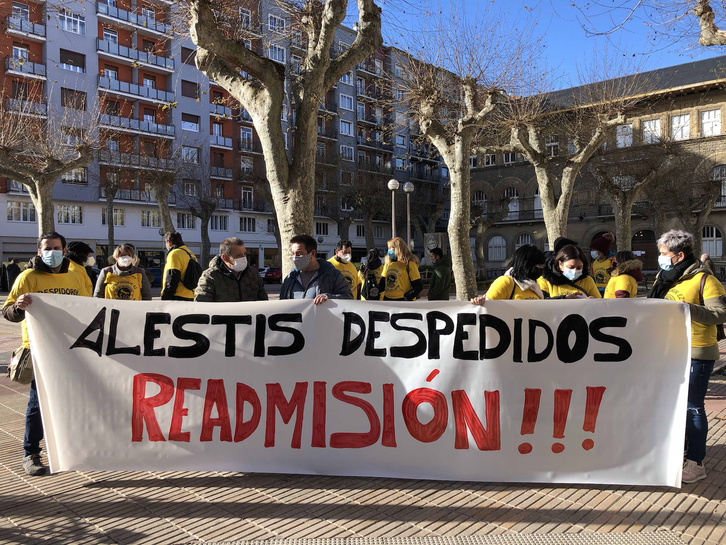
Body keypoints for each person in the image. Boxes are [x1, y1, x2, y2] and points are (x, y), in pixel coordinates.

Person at [2, 231, 89, 476]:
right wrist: (18, 308)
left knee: (72, 400)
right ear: (39, 251)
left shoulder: (77, 275)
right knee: (37, 403)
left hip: (71, 348)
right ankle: (31, 453)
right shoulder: (27, 276)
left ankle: (71, 448)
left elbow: (88, 308)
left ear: (64, 250)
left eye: (56, 247)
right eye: (46, 248)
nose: (51, 252)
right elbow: (7, 310)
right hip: (39, 348)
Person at [647, 230, 726, 484]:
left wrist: (687, 310)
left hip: (697, 352)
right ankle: (679, 452)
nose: (659, 258)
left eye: (663, 254)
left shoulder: (705, 279)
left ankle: (696, 462)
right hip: (669, 350)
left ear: (679, 256)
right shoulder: (666, 277)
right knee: (673, 405)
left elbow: (720, 314)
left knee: (693, 406)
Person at [280, 235, 353, 303]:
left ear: (312, 253)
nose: (295, 258)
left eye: (299, 253)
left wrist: (329, 298)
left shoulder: (333, 275)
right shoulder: (289, 279)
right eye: (293, 253)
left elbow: (348, 297)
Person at [195, 237, 268, 302]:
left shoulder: (253, 274)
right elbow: (202, 306)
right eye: (239, 255)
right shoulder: (210, 276)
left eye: (245, 254)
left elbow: (264, 302)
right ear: (225, 258)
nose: (243, 258)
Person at [472, 245, 545, 303]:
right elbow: (488, 309)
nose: (540, 268)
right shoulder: (505, 282)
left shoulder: (534, 286)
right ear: (527, 265)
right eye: (538, 265)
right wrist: (479, 303)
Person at [378, 237, 423, 301]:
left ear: (399, 249)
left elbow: (418, 285)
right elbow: (382, 283)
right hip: (388, 299)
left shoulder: (409, 264)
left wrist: (408, 296)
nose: (390, 250)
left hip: (402, 300)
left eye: (392, 248)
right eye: (389, 248)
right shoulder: (388, 264)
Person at [161, 232, 198, 301]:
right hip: (191, 295)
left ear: (169, 243)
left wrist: (166, 297)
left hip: (177, 296)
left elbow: (172, 277)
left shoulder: (174, 254)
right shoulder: (190, 253)